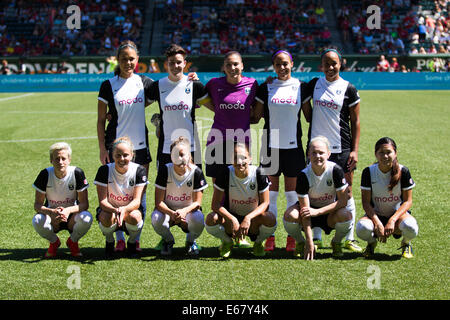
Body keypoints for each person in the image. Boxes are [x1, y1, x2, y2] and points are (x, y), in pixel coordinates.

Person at [303, 47, 363, 253]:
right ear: (321, 65)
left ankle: (349, 236)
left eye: (334, 63)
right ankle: (317, 236)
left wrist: (354, 150)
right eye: (326, 63)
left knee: (346, 191)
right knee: (314, 190)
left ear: (340, 64)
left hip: (341, 148)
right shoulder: (313, 85)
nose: (330, 67)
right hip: (315, 149)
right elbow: (305, 109)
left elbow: (356, 122)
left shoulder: (349, 88)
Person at [252, 49, 311, 253]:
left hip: (293, 147)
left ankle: (292, 236)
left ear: (292, 64)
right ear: (273, 67)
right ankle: (269, 236)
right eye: (278, 64)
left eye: (285, 63)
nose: (282, 67)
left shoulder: (301, 87)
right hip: (271, 146)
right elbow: (255, 117)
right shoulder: (266, 88)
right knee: (272, 195)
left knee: (293, 195)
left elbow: (310, 116)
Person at [97, 40, 153, 253]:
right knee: (115, 193)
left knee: (141, 193)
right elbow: (101, 120)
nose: (128, 62)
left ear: (137, 60)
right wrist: (103, 148)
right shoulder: (108, 85)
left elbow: (168, 89)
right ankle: (118, 236)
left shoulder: (144, 82)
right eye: (124, 59)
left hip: (140, 149)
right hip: (115, 147)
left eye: (131, 59)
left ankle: (135, 238)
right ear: (117, 61)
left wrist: (190, 77)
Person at [201, 51, 259, 248]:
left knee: (240, 191)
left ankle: (242, 233)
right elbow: (203, 99)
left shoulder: (252, 85)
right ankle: (227, 238)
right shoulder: (214, 84)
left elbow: (256, 112)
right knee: (221, 193)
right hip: (216, 144)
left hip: (241, 146)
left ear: (242, 66)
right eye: (228, 65)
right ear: (223, 67)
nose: (233, 68)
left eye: (236, 64)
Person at [283, 136, 353, 260]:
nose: (317, 156)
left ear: (328, 154)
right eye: (314, 153)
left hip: (329, 213)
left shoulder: (335, 170)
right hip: (308, 213)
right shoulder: (304, 175)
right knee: (290, 215)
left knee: (346, 215)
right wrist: (309, 241)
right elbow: (305, 211)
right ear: (308, 154)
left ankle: (336, 242)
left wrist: (318, 211)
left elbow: (343, 201)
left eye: (321, 153)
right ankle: (301, 242)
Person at [205, 142, 277, 258]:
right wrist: (232, 219)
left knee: (270, 219)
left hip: (253, 220)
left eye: (243, 158)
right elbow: (215, 204)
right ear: (231, 159)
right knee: (211, 219)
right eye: (235, 157)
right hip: (231, 219)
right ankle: (227, 242)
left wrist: (248, 218)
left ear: (250, 158)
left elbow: (265, 203)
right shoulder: (225, 173)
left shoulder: (259, 173)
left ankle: (258, 243)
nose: (239, 162)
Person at [146, 44, 207, 168]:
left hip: (191, 147)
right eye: (171, 62)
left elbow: (215, 107)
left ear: (185, 63)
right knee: (165, 186)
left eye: (178, 62)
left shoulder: (195, 85)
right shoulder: (157, 86)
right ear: (166, 64)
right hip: (166, 148)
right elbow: (138, 106)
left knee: (195, 186)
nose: (175, 66)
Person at [356, 137, 418, 259]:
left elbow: (407, 201)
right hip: (376, 215)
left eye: (388, 152)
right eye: (381, 153)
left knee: (411, 227)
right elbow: (366, 203)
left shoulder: (403, 171)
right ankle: (371, 243)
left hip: (398, 216)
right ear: (375, 154)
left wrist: (392, 220)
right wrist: (378, 223)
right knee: (362, 228)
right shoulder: (368, 172)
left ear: (395, 153)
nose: (385, 156)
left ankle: (406, 243)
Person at [32, 142, 92, 258]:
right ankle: (54, 242)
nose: (60, 162)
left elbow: (84, 204)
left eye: (63, 158)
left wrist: (68, 211)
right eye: (56, 159)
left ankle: (73, 241)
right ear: (51, 160)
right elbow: (37, 205)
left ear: (69, 160)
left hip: (72, 215)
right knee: (37, 220)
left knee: (86, 217)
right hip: (52, 216)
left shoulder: (77, 173)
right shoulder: (45, 174)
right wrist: (51, 212)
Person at [151, 136, 208, 256]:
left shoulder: (196, 172)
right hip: (168, 211)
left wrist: (183, 212)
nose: (180, 158)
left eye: (183, 154)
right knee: (156, 217)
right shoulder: (165, 170)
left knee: (198, 218)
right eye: (176, 155)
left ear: (189, 156)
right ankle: (168, 240)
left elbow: (197, 203)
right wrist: (172, 214)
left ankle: (190, 241)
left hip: (188, 212)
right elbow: (158, 202)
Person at [94, 136, 147, 257]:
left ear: (132, 155)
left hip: (129, 210)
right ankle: (109, 241)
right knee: (106, 217)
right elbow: (102, 202)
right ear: (112, 155)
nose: (122, 159)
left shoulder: (139, 170)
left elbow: (137, 201)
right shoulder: (104, 170)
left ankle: (132, 242)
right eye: (118, 155)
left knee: (135, 216)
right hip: (110, 210)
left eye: (125, 155)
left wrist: (124, 210)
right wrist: (116, 210)